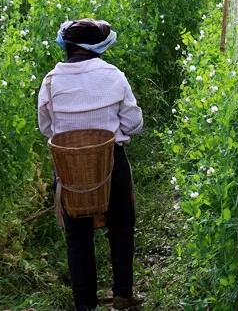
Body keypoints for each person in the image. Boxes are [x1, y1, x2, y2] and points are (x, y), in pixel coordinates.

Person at [38, 19, 144, 311]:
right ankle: (122, 293)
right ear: (98, 46)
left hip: (71, 171)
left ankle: (84, 304)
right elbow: (134, 123)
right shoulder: (114, 76)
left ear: (67, 46)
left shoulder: (50, 82)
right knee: (121, 226)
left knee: (77, 236)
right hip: (110, 164)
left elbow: (47, 128)